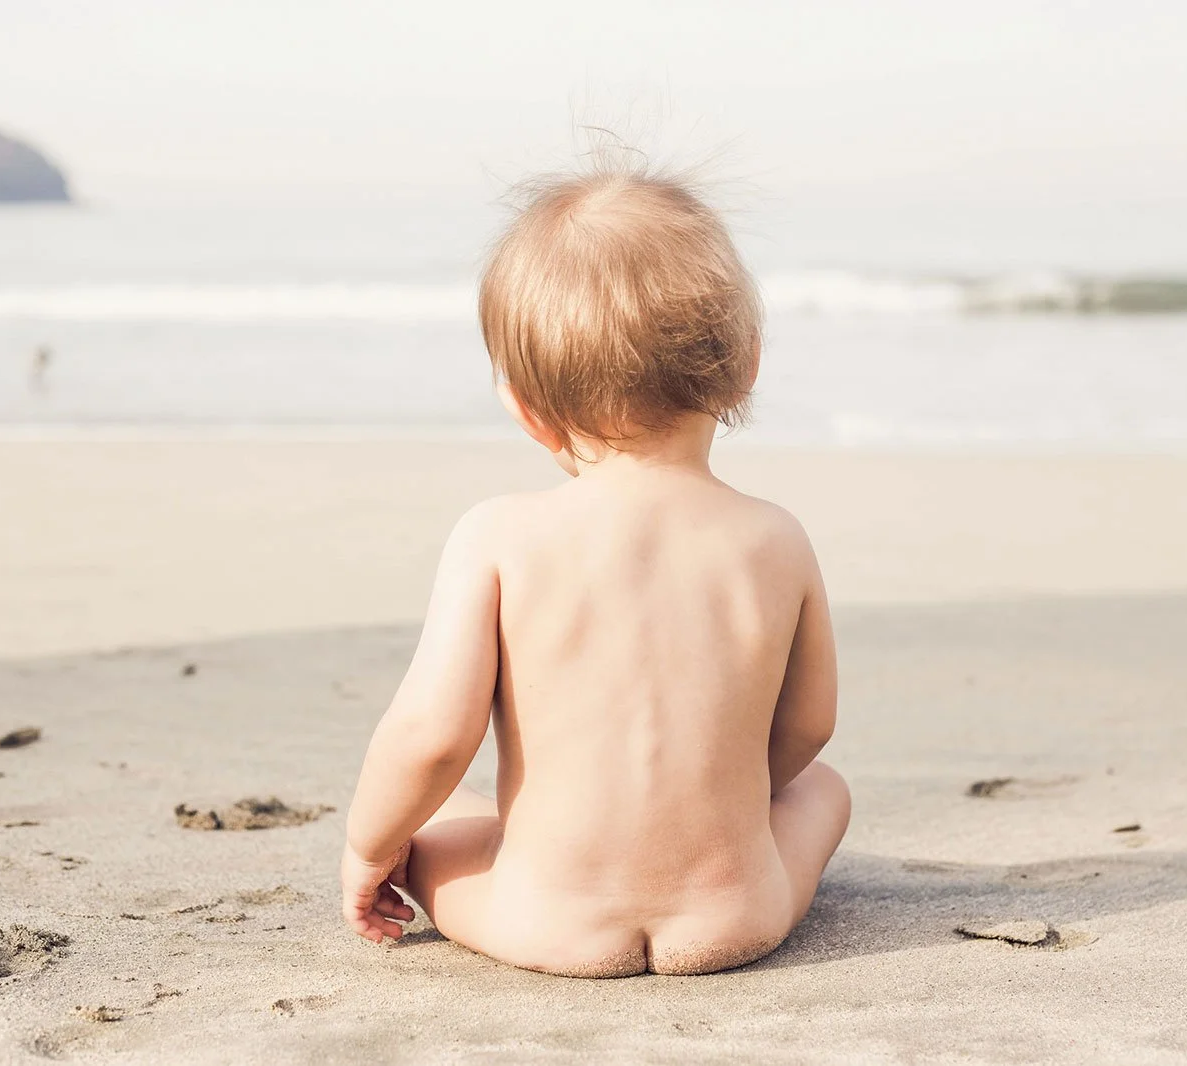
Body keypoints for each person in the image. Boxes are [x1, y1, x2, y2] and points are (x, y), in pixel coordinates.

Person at [340, 160, 850, 977]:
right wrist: (719, 796)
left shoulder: (498, 534)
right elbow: (807, 727)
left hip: (548, 922)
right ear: (747, 363)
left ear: (526, 409)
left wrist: (370, 847)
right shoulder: (775, 538)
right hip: (735, 913)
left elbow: (432, 737)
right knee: (822, 790)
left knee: (432, 828)